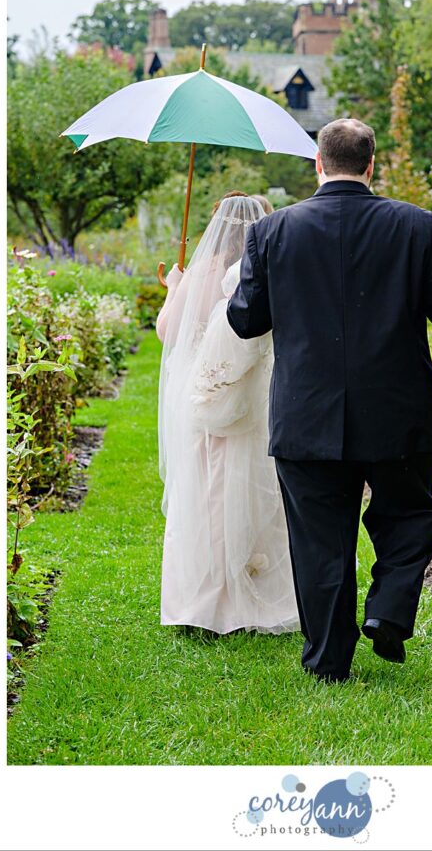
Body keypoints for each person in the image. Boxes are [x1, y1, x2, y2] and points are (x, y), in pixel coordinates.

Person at [227, 119, 432, 682]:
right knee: (411, 515)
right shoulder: (418, 227)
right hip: (398, 412)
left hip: (306, 413)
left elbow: (246, 320)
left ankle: (328, 661)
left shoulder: (272, 232)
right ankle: (388, 613)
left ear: (318, 165)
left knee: (319, 540)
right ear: (371, 166)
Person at [156, 193, 299, 636]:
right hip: (261, 398)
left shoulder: (205, 270)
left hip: (210, 399)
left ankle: (207, 601)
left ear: (217, 226)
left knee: (208, 492)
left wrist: (176, 289)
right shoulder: (276, 266)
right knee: (260, 491)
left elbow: (168, 333)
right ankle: (260, 590)